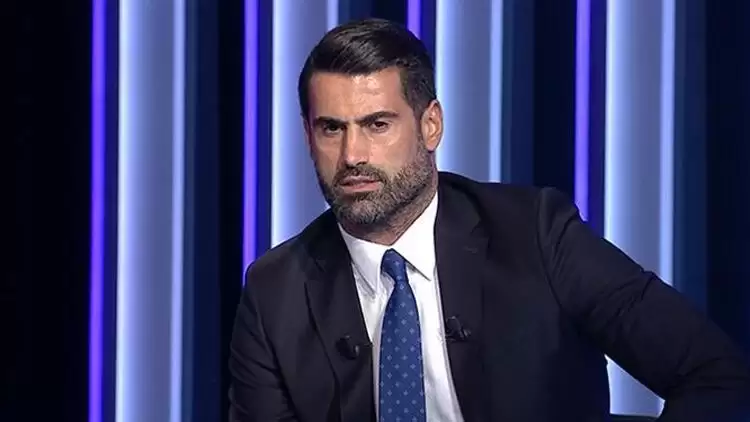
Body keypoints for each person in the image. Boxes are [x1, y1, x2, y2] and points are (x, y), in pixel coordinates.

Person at [228, 18, 750, 422]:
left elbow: (713, 375)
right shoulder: (275, 292)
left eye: (377, 124)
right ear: (307, 136)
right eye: (331, 129)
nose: (352, 155)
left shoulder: (537, 234)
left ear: (430, 126)